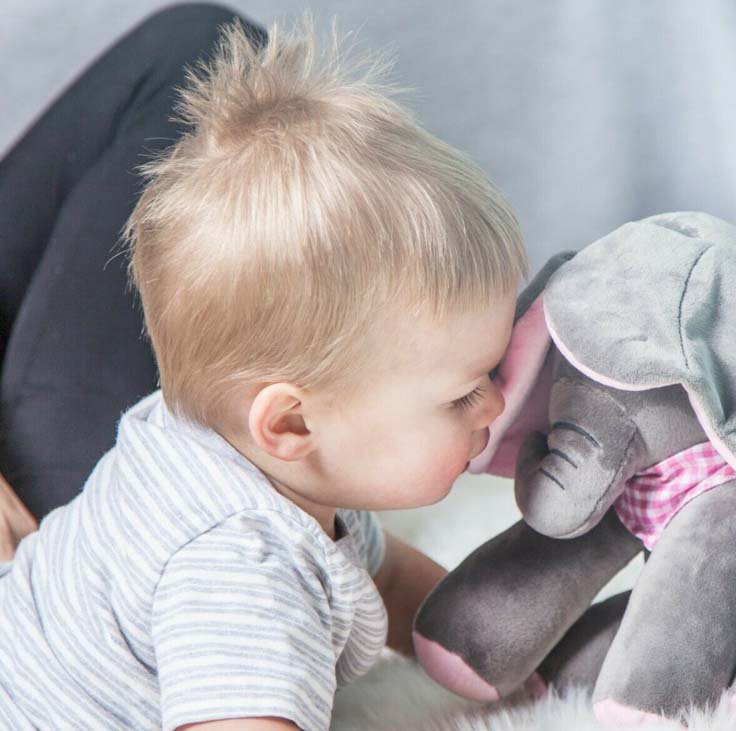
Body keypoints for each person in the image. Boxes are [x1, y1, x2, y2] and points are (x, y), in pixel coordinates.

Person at [0, 5, 526, 729]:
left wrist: (530, 659)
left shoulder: (275, 468)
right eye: (464, 393)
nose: (497, 405)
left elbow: (397, 580)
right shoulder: (240, 566)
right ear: (290, 420)